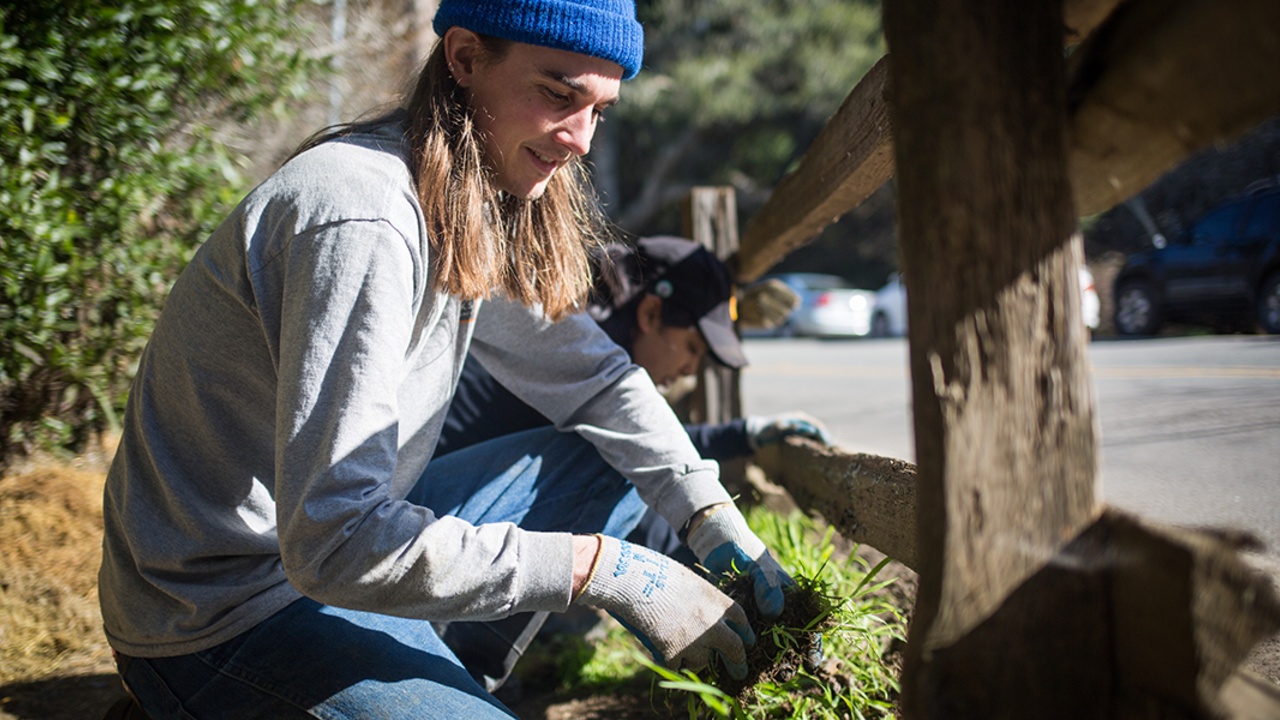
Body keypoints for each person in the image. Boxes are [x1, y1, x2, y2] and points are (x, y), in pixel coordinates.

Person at [97, 1, 795, 718]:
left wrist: (711, 515)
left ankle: (448, 679)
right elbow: (334, 542)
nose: (581, 139)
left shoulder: (462, 195)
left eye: (600, 109)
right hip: (223, 611)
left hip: (326, 551)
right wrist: (599, 569)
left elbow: (595, 378)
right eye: (558, 94)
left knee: (608, 460)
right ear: (463, 58)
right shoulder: (364, 218)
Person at [433, 235, 831, 694]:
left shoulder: (589, 342)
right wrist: (713, 581)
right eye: (693, 348)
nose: (689, 371)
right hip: (418, 549)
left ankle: (466, 662)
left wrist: (739, 447)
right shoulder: (569, 358)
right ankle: (461, 665)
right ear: (649, 315)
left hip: (459, 527)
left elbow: (651, 448)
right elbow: (627, 459)